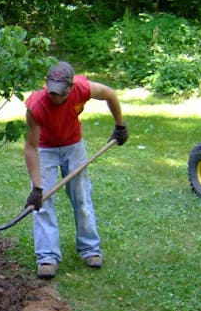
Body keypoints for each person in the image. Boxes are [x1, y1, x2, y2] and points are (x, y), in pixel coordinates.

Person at [23, 60, 128, 279]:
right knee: (42, 203)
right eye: (52, 92)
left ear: (70, 87)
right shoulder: (36, 105)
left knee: (81, 197)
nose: (55, 97)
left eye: (60, 94)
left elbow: (110, 93)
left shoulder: (82, 88)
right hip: (45, 149)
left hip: (73, 146)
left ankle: (90, 249)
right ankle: (47, 257)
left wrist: (120, 126)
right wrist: (37, 187)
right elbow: (31, 148)